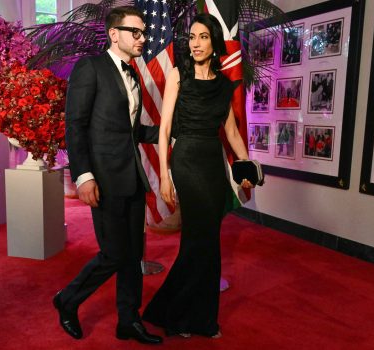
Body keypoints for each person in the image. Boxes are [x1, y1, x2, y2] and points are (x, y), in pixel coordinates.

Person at [54, 6, 162, 345]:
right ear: (114, 34)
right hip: (103, 177)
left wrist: (169, 130)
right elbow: (75, 125)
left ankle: (129, 320)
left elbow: (129, 132)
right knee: (114, 253)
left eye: (144, 32)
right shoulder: (91, 67)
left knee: (132, 255)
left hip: (131, 177)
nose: (143, 38)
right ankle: (67, 300)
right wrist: (84, 176)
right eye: (137, 32)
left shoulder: (133, 74)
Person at [142, 13, 254, 339]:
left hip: (212, 165)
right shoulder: (179, 75)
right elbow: (163, 131)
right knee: (197, 241)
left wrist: (245, 166)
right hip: (187, 161)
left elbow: (231, 132)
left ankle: (201, 319)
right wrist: (164, 176)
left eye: (203, 37)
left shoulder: (223, 85)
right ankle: (177, 315)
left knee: (208, 243)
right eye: (192, 37)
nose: (196, 43)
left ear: (214, 42)